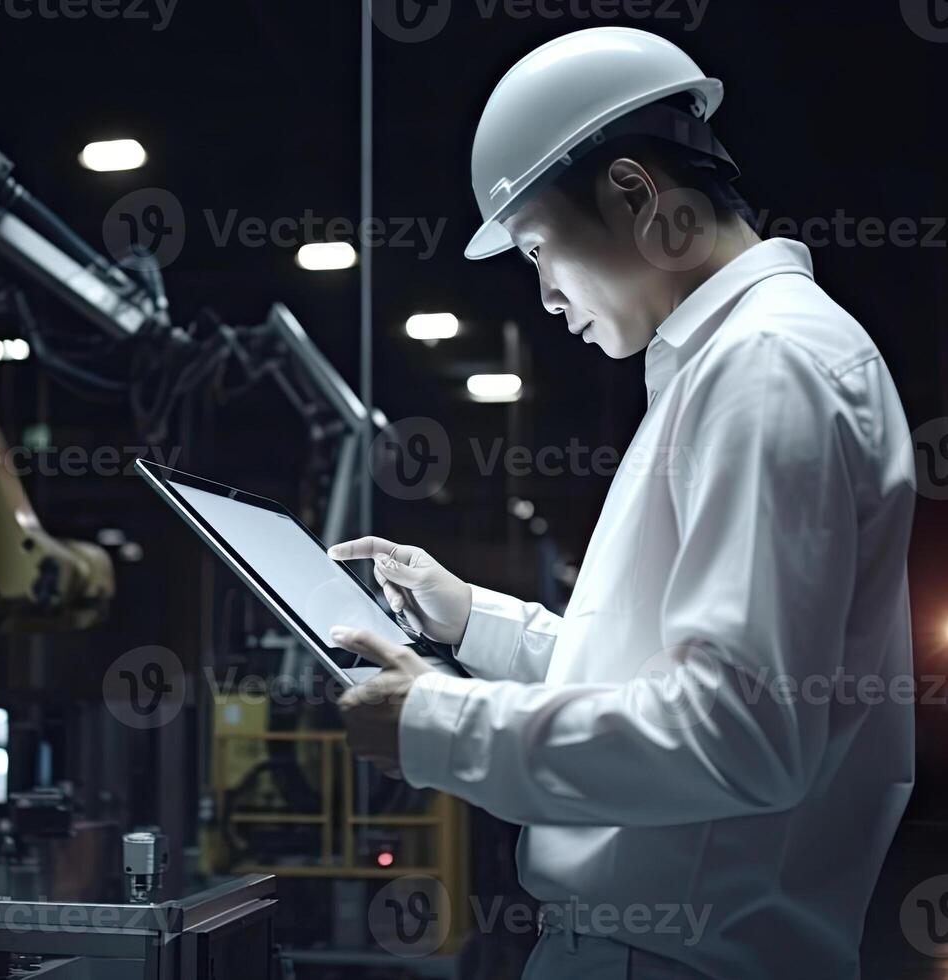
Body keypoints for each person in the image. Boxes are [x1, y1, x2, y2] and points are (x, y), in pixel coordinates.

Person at [328, 26, 916, 980]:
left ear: (637, 194)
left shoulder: (767, 367)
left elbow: (737, 734)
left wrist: (436, 723)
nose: (547, 298)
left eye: (534, 249)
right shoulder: (734, 363)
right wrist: (476, 620)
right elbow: (667, 682)